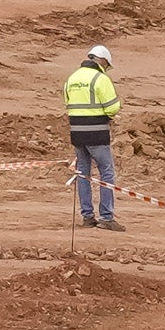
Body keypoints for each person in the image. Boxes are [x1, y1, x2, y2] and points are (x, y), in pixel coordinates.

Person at [64, 43, 121, 228]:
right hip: (97, 133)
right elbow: (112, 107)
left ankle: (87, 216)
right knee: (106, 172)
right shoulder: (100, 79)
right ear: (102, 61)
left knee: (83, 173)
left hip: (77, 134)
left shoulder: (71, 79)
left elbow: (68, 102)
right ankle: (106, 217)